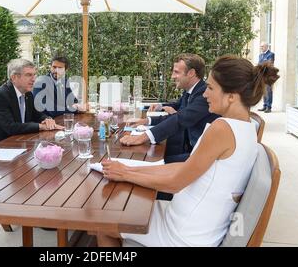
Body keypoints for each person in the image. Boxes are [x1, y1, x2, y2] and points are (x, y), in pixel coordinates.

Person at [97, 55, 280, 247]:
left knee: (104, 225)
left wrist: (125, 173)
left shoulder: (223, 128)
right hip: (198, 223)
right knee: (120, 209)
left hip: (185, 234)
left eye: (210, 88)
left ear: (232, 95)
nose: (205, 94)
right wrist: (127, 169)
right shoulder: (247, 128)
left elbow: (175, 183)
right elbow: (185, 168)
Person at [121, 54, 219, 161]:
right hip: (190, 150)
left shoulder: (203, 94)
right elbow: (178, 108)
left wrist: (143, 137)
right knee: (148, 158)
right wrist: (147, 120)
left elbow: (180, 118)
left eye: (176, 72)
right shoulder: (191, 91)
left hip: (200, 157)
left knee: (148, 161)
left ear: (191, 73)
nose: (172, 76)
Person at [0, 58, 63, 145]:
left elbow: (37, 114)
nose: (34, 79)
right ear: (14, 77)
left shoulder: (28, 94)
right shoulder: (0, 96)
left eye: (34, 75)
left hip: (18, 141)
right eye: (29, 75)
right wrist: (41, 126)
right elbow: (11, 127)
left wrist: (47, 119)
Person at [257, 42, 275, 113]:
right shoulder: (260, 55)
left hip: (268, 76)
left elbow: (269, 64)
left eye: (262, 46)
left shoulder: (271, 54)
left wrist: (262, 65)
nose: (261, 48)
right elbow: (259, 64)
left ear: (267, 47)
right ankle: (264, 106)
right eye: (261, 46)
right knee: (264, 91)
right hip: (262, 76)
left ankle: (269, 107)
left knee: (269, 91)